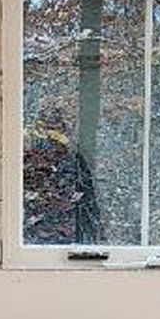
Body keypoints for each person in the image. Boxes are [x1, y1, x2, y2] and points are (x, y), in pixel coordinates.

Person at [23, 105, 103, 244]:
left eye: (57, 128)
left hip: (67, 237)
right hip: (36, 237)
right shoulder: (31, 160)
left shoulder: (75, 161)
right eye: (48, 128)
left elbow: (88, 201)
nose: (51, 136)